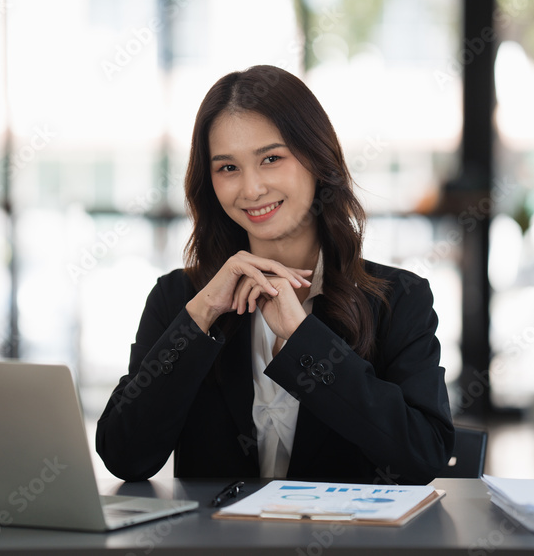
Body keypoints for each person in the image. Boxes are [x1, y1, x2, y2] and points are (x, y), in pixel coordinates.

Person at [96, 65, 453, 484]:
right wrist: (201, 317)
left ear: (318, 160)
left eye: (271, 159)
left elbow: (422, 457)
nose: (251, 189)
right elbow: (125, 455)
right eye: (227, 168)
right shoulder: (182, 299)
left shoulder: (398, 299)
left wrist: (305, 339)